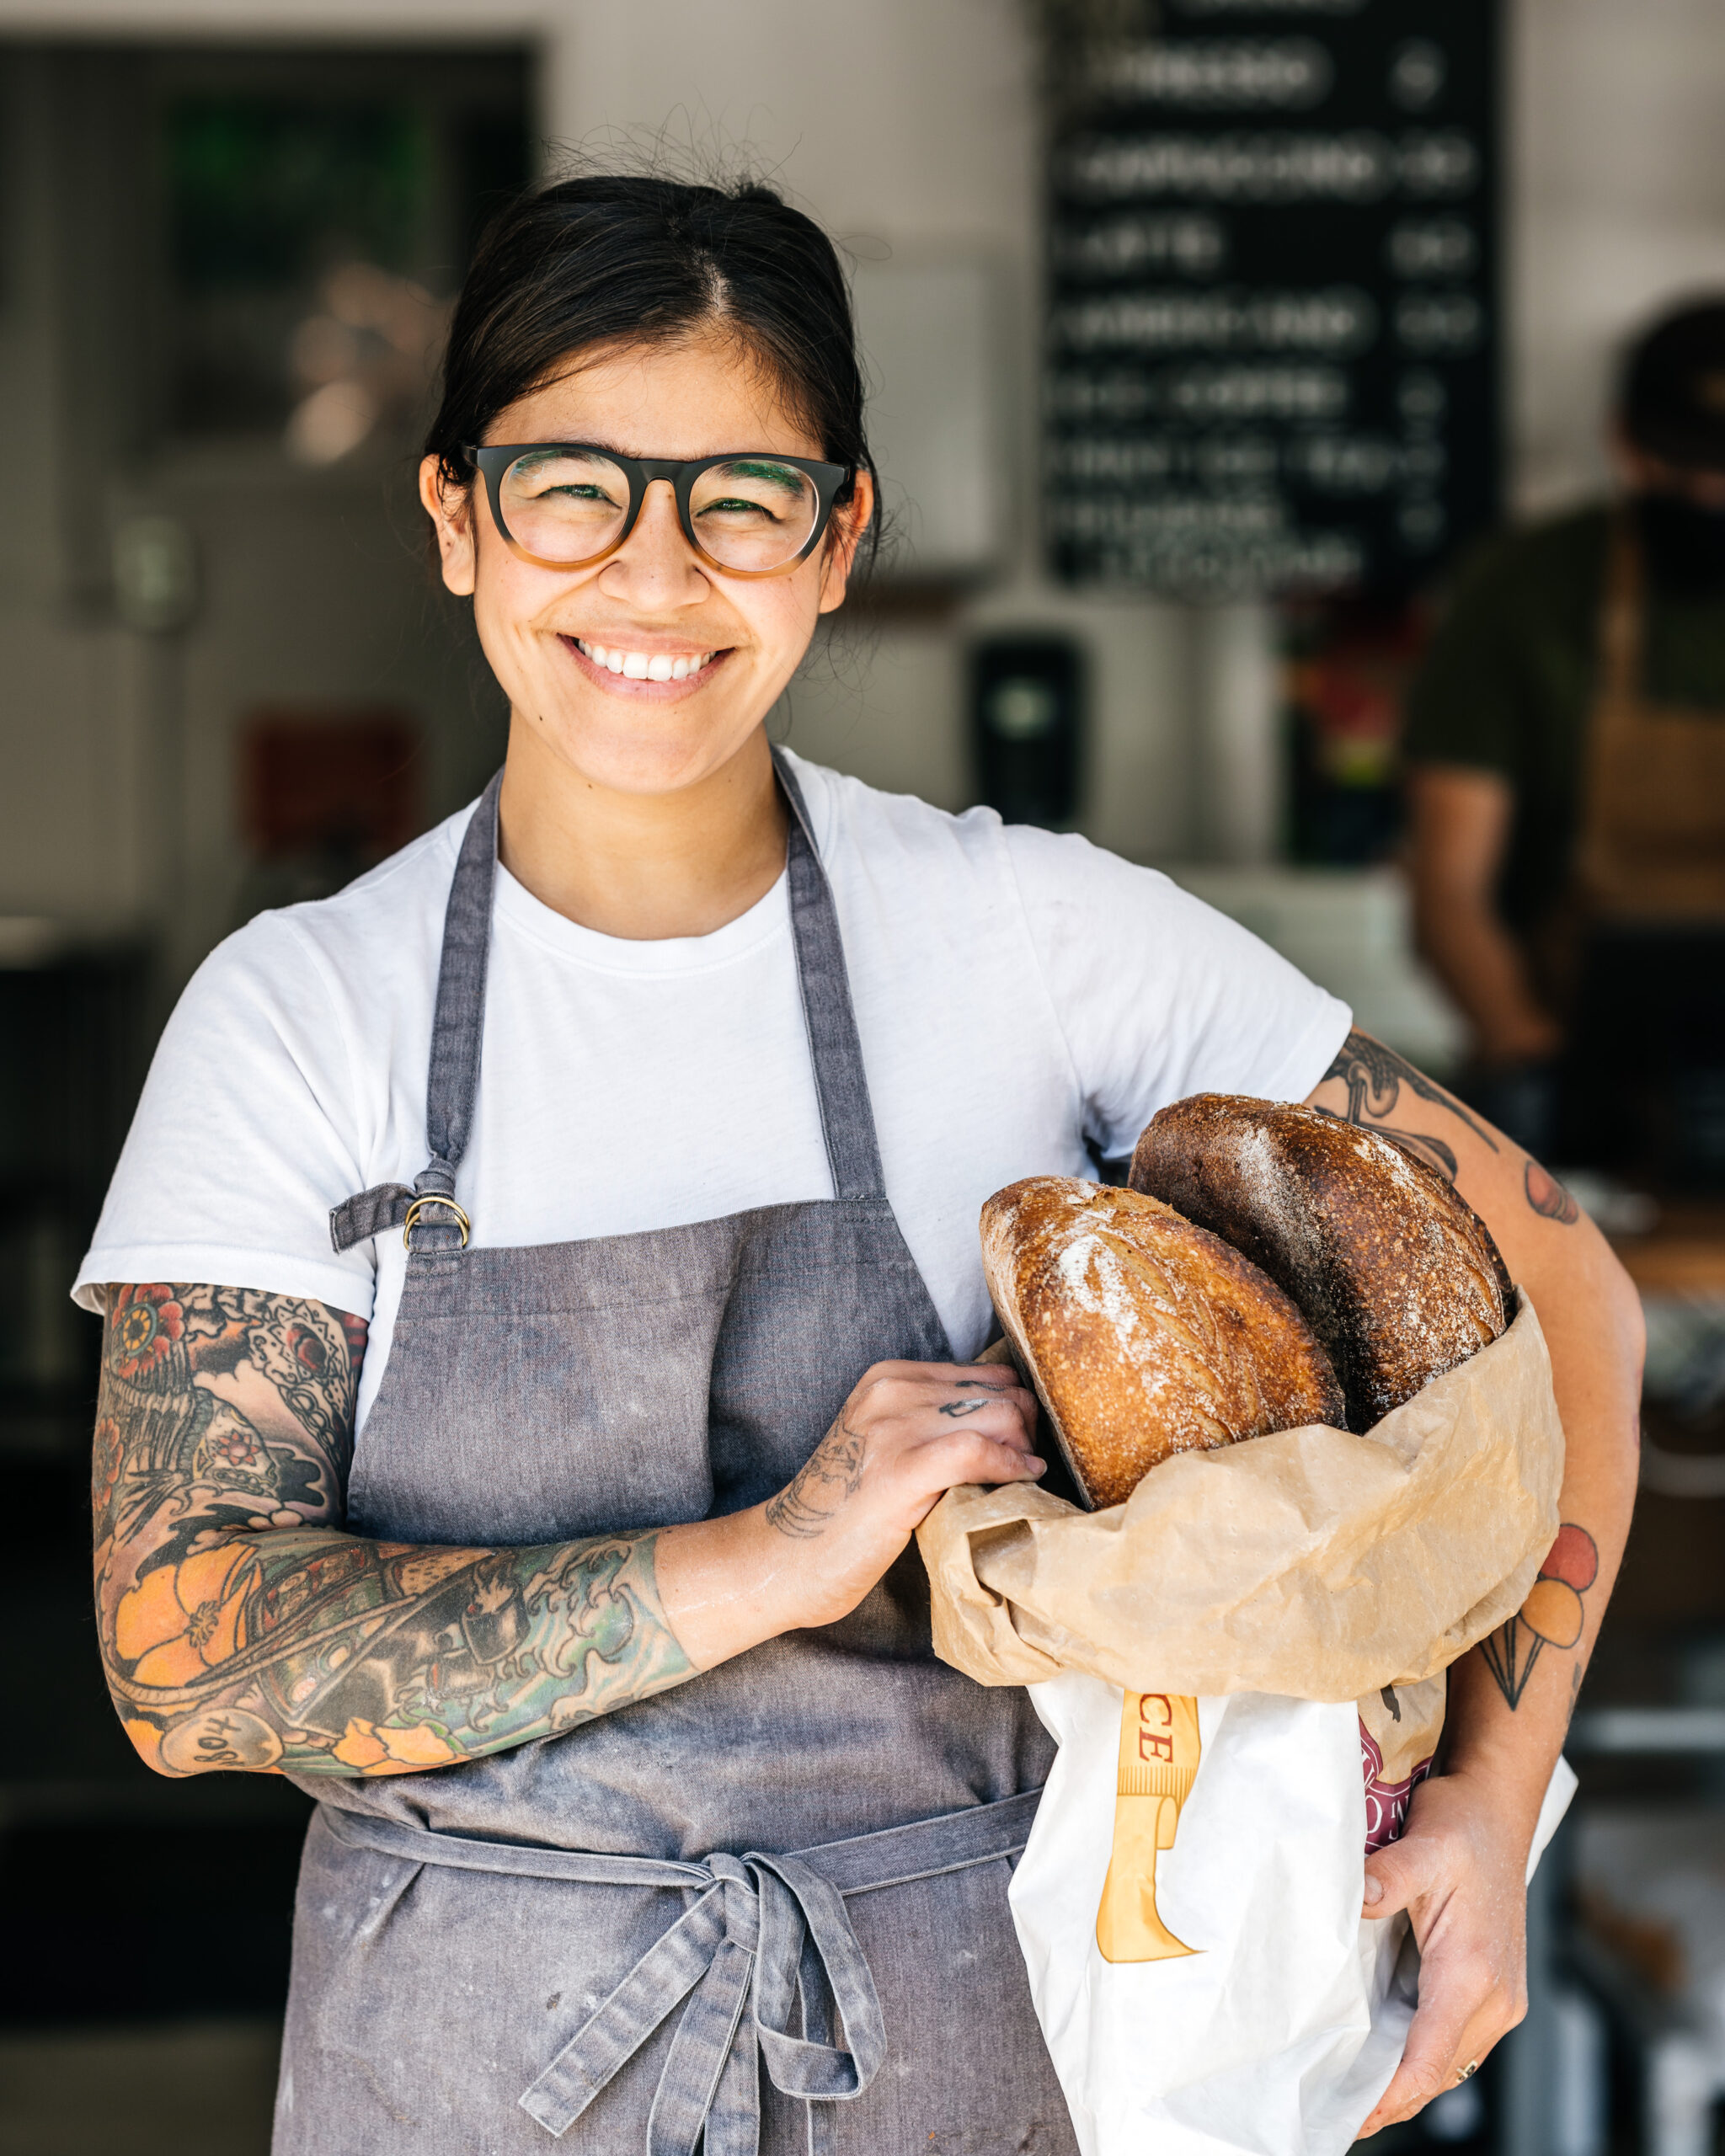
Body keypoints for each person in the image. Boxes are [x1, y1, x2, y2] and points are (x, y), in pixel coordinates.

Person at [80, 173, 1642, 2153]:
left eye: (739, 497)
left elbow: (1556, 1274)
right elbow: (186, 1652)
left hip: (967, 2039)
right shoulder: (306, 1010)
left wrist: (1496, 1798)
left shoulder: (1028, 935)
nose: (655, 576)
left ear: (841, 538)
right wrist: (780, 1548)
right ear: (453, 516)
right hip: (467, 2063)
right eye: (573, 486)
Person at [1405, 300, 1725, 1172]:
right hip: (1570, 1084)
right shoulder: (1526, 591)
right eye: (1685, 465)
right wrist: (1532, 1067)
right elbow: (1446, 891)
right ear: (1624, 444)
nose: (1710, 495)